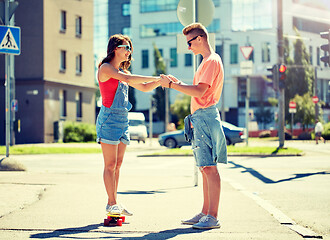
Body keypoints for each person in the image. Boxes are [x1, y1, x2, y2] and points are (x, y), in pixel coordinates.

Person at [160, 23, 227, 229]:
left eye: (190, 42)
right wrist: (178, 82)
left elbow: (199, 92)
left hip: (205, 116)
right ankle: (206, 212)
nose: (188, 47)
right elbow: (198, 90)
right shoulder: (207, 62)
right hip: (201, 117)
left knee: (209, 168)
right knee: (204, 167)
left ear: (200, 39)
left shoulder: (210, 61)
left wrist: (172, 85)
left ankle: (212, 217)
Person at [96, 34, 160, 216]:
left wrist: (160, 81)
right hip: (109, 119)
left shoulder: (124, 74)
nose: (129, 52)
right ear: (116, 48)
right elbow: (131, 81)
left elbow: (145, 87)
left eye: (130, 49)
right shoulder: (106, 68)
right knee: (109, 164)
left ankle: (114, 202)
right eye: (127, 47)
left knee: (118, 164)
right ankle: (111, 203)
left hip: (123, 120)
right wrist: (155, 76)